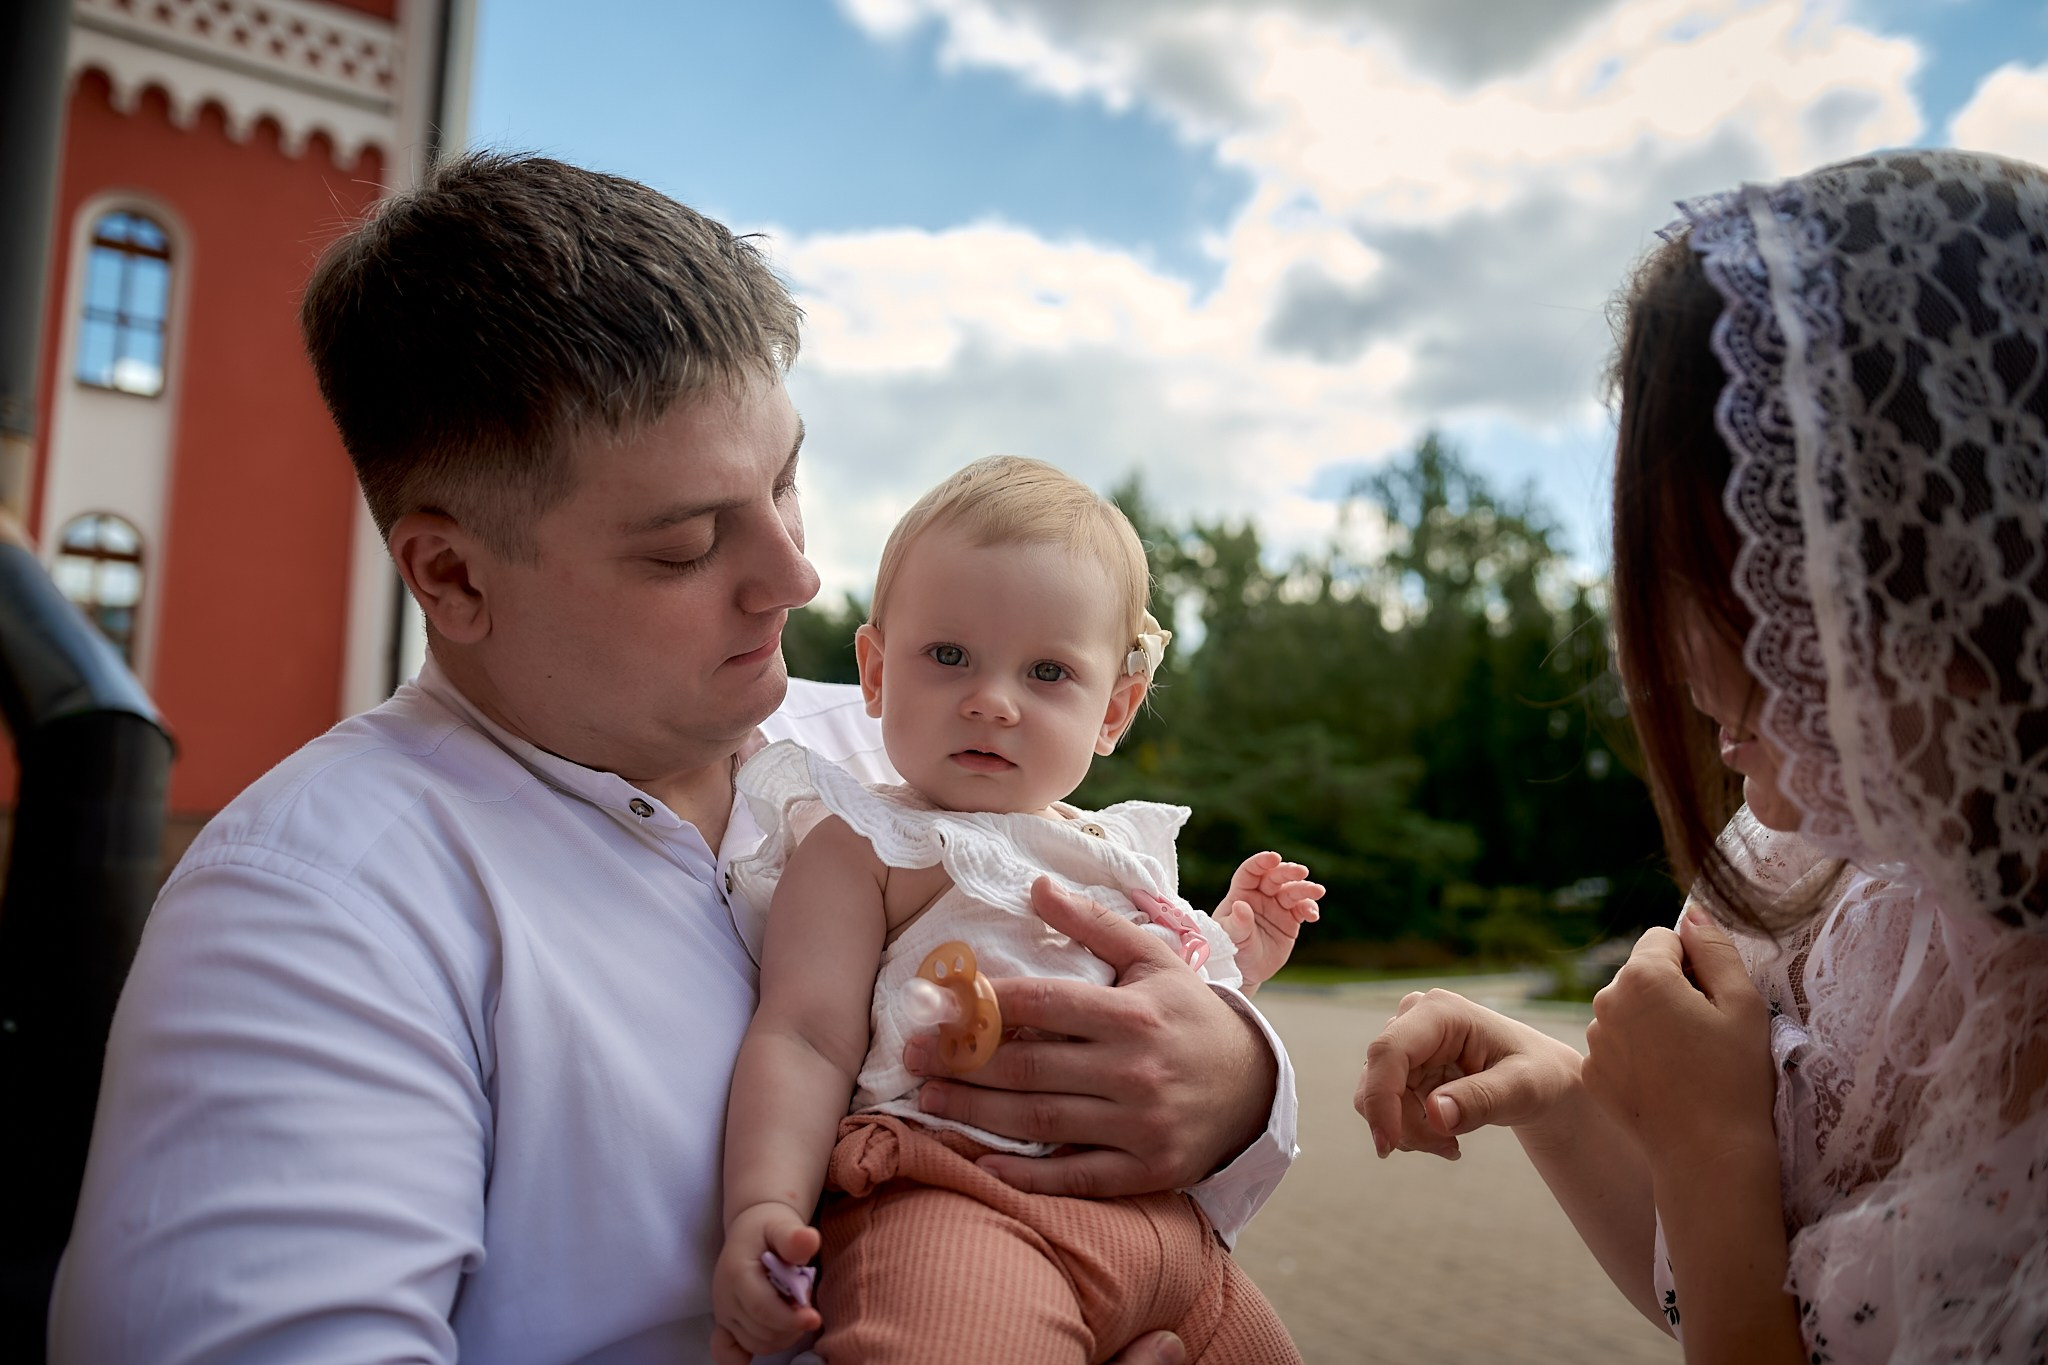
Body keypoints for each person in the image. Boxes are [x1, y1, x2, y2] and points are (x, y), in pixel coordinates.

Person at [46, 154, 1299, 1365]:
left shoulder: (904, 745)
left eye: (786, 481)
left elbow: (1138, 979)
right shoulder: (314, 918)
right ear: (454, 574)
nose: (797, 575)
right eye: (688, 544)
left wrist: (1235, 1080)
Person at [1356, 147, 2048, 1364]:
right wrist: (1562, 1096)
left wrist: (1708, 1140)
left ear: (1927, 562)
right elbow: (1746, 1288)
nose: (1673, 661)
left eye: (1712, 566)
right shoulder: (1825, 867)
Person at [709, 456, 1322, 1364]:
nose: (991, 701)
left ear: (1114, 710)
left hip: (1166, 1229)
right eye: (949, 656)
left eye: (1046, 671)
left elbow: (1167, 1022)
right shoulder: (866, 842)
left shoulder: (1114, 849)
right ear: (875, 671)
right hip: (955, 1204)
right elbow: (804, 1036)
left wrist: (1235, 952)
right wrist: (764, 1203)